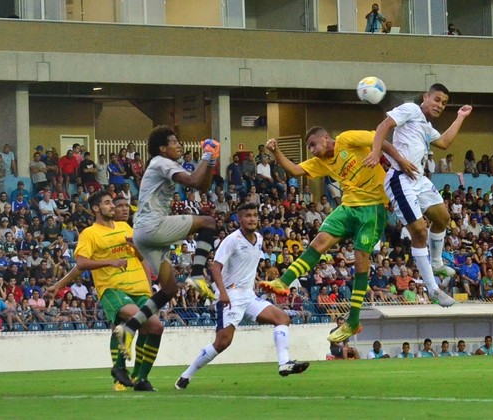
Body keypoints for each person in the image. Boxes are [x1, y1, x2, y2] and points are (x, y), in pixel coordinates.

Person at [257, 127, 415, 344]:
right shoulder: (321, 162)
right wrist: (276, 152)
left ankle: (353, 320)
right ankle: (284, 282)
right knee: (319, 241)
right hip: (348, 207)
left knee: (361, 258)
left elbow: (381, 139)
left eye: (313, 144)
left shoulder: (347, 140)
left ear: (325, 137)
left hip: (373, 208)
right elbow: (294, 170)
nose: (312, 150)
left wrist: (399, 160)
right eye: (309, 147)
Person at [175, 204, 309, 390]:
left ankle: (284, 363)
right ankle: (186, 375)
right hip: (231, 295)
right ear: (240, 219)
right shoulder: (232, 240)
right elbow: (216, 267)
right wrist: (222, 293)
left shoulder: (260, 238)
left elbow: (246, 267)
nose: (252, 219)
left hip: (249, 295)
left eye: (255, 215)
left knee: (282, 318)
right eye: (248, 216)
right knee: (223, 342)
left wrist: (261, 281)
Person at [115, 126, 220, 359]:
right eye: (174, 142)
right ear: (163, 148)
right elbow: (193, 180)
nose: (179, 145)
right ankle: (196, 274)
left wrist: (211, 162)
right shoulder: (161, 162)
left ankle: (129, 328)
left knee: (170, 288)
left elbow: (202, 186)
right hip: (153, 226)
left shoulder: (164, 164)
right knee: (208, 222)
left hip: (144, 233)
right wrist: (205, 154)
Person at [364, 83, 473, 308]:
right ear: (425, 97)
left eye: (444, 103)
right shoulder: (411, 109)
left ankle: (435, 261)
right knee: (420, 231)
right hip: (400, 179)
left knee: (443, 219)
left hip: (420, 179)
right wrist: (376, 152)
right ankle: (433, 289)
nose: (440, 105)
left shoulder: (424, 124)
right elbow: (384, 125)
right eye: (437, 100)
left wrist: (460, 117)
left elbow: (443, 142)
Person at [48, 191, 163, 392]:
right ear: (95, 208)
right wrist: (110, 261)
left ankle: (140, 377)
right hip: (113, 288)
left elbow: (139, 256)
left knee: (155, 327)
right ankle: (119, 369)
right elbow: (81, 263)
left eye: (113, 203)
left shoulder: (124, 227)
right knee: (135, 318)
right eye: (108, 203)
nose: (113, 206)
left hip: (138, 287)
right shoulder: (90, 233)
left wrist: (136, 248)